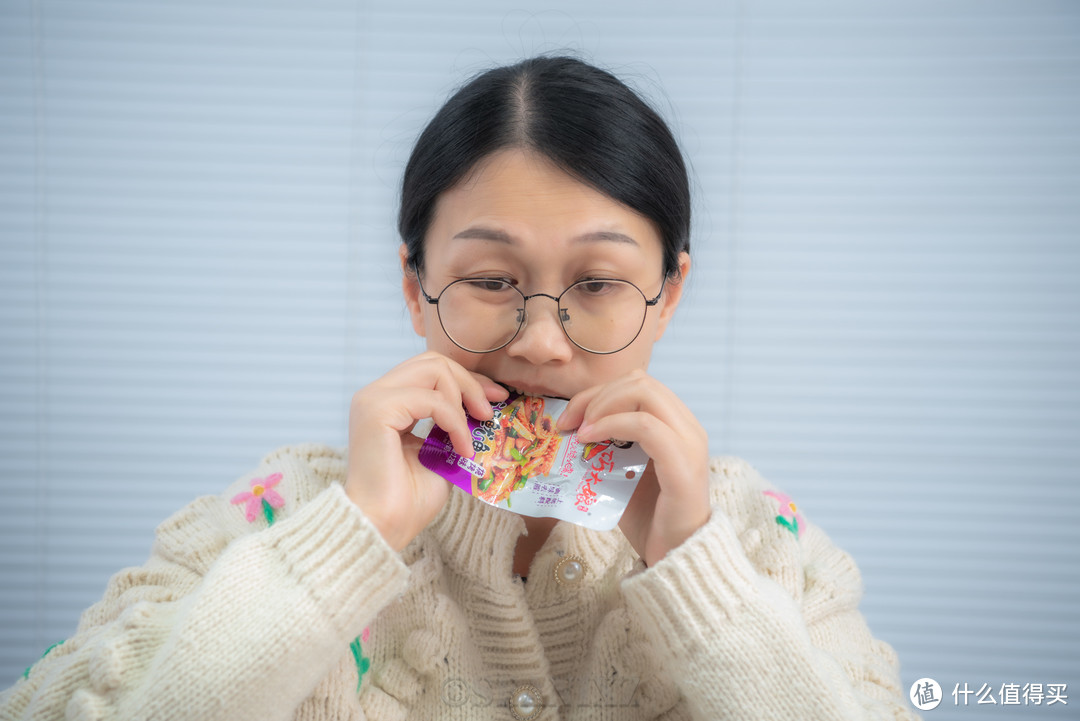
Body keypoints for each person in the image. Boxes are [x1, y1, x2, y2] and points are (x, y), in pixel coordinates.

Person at [1, 55, 919, 721]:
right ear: (416, 287)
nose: (543, 342)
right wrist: (346, 542)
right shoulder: (278, 520)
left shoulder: (765, 542)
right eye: (491, 282)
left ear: (669, 294)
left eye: (598, 285)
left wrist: (700, 573)